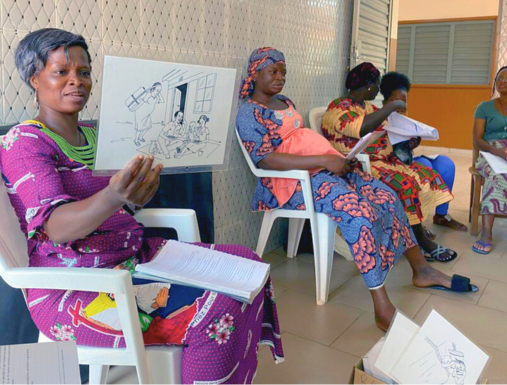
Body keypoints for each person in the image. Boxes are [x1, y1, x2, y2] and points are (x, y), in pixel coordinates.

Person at [0, 28, 283, 384]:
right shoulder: (24, 142)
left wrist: (134, 197)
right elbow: (55, 227)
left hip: (131, 259)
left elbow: (118, 208)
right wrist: (114, 196)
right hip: (79, 289)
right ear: (34, 78)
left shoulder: (95, 135)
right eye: (61, 72)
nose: (77, 82)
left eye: (84, 72)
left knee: (250, 263)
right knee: (218, 309)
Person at [236, 47, 477, 331]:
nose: (280, 78)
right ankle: (381, 307)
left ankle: (421, 269)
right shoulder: (249, 113)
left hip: (322, 168)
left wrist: (335, 160)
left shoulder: (284, 101)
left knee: (387, 196)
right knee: (359, 214)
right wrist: (325, 158)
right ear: (255, 73)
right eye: (273, 72)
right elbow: (266, 159)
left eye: (283, 72)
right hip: (290, 183)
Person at [322, 63, 458, 263]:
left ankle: (412, 228)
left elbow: (389, 130)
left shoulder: (366, 106)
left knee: (428, 175)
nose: (378, 89)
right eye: (376, 84)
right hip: (357, 167)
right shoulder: (338, 108)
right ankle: (420, 241)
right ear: (369, 85)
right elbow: (360, 129)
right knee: (406, 185)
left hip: (382, 161)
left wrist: (412, 138)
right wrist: (391, 106)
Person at [379, 72, 468, 235]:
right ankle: (416, 223)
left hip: (408, 159)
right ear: (385, 99)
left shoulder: (402, 116)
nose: (400, 105)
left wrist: (415, 141)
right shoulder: (378, 117)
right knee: (425, 166)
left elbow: (406, 145)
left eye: (404, 101)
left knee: (445, 164)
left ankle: (441, 215)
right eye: (395, 101)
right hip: (392, 164)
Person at [471, 66, 507, 254]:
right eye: (499, 78)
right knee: (496, 176)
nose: (502, 82)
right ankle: (486, 233)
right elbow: (477, 139)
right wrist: (498, 152)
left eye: (506, 79)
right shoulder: (484, 107)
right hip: (490, 152)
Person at [133, 82, 164, 147]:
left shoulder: (156, 97)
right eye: (157, 90)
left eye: (160, 90)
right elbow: (141, 103)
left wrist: (158, 93)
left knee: (147, 127)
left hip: (147, 114)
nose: (158, 92)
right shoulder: (148, 95)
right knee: (139, 128)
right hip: (141, 113)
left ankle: (140, 137)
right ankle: (136, 140)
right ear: (153, 89)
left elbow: (162, 100)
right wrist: (135, 108)